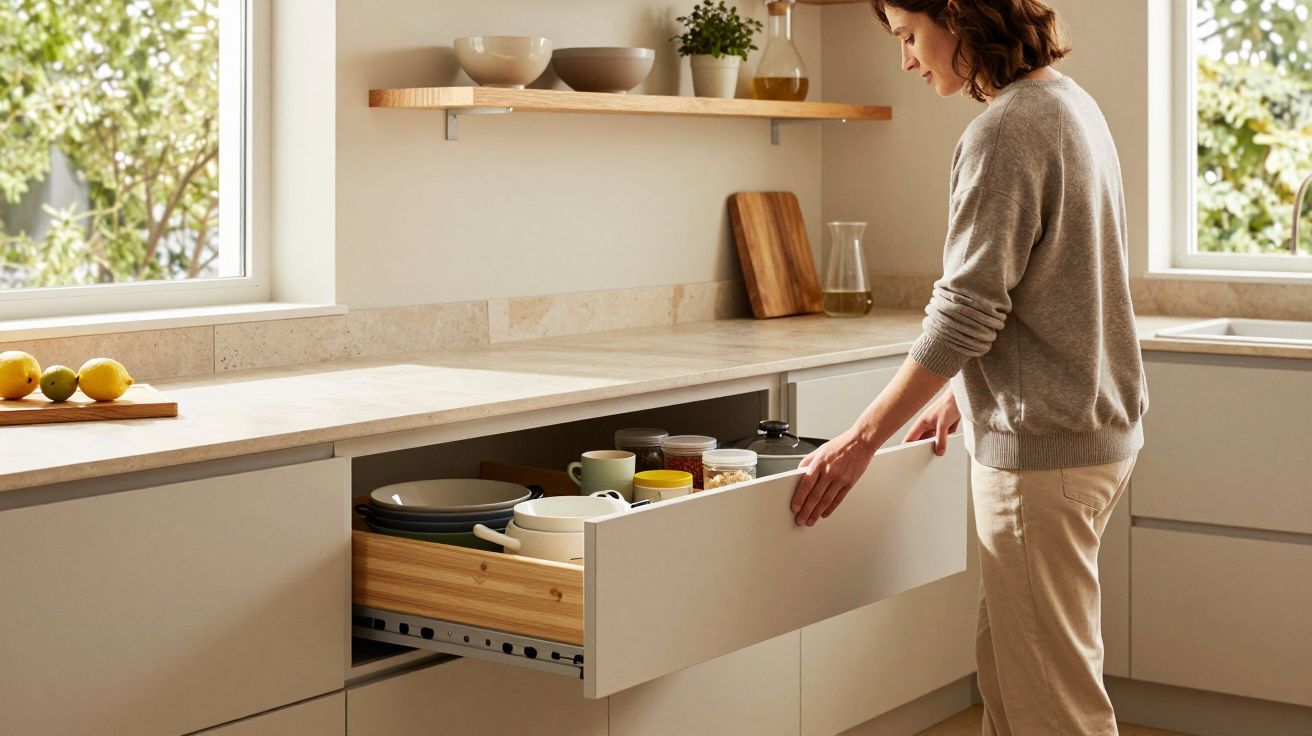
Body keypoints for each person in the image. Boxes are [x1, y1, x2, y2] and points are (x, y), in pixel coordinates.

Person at [788, 1, 1148, 733]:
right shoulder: (1068, 104)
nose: (906, 60)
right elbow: (1051, 280)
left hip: (1042, 455)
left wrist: (862, 439)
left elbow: (966, 311)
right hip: (1091, 437)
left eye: (909, 36)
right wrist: (966, 388)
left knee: (1053, 707)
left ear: (957, 15)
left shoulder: (1006, 129)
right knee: (1013, 684)